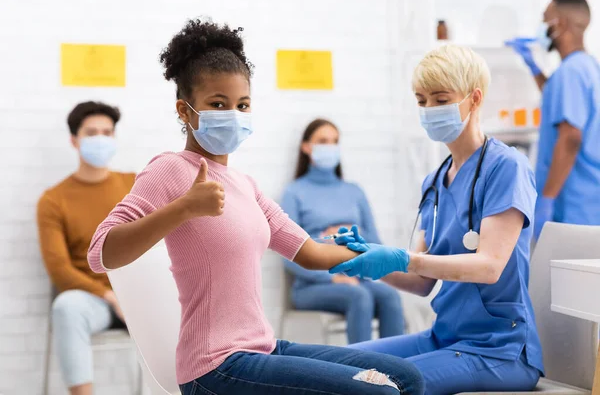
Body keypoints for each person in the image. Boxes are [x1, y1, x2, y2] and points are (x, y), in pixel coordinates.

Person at [87, 19, 423, 395]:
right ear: (185, 110)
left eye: (242, 104)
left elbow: (309, 252)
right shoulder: (170, 169)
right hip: (215, 367)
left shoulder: (246, 186)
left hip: (262, 348)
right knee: (376, 392)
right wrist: (183, 209)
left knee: (406, 377)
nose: (233, 114)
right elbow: (101, 253)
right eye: (218, 104)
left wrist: (378, 255)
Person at [328, 45, 544, 394]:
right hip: (443, 338)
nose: (429, 109)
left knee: (375, 385)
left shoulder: (507, 167)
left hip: (499, 350)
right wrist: (368, 258)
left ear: (474, 99)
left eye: (440, 98)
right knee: (331, 365)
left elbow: (489, 267)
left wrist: (403, 257)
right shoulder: (435, 180)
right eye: (421, 100)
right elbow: (421, 281)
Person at [37, 101, 135, 395]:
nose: (101, 139)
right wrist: (109, 296)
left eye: (107, 132)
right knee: (67, 307)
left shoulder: (134, 184)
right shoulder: (54, 200)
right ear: (74, 140)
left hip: (139, 298)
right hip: (96, 302)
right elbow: (60, 269)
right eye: (92, 133)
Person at [281, 118, 404, 344]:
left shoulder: (354, 191)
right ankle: (361, 374)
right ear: (306, 147)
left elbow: (376, 244)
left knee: (390, 296)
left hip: (357, 280)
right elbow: (289, 254)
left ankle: (395, 370)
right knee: (360, 297)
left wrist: (349, 234)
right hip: (313, 286)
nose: (330, 146)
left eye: (335, 141)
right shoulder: (294, 192)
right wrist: (331, 268)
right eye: (323, 141)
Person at [506, 0, 600, 240]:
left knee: (566, 277)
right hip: (590, 203)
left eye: (545, 20)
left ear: (561, 25)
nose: (542, 27)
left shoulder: (570, 72)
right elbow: (559, 102)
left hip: (572, 207)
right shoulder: (587, 67)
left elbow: (571, 138)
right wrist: (535, 70)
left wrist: (547, 198)